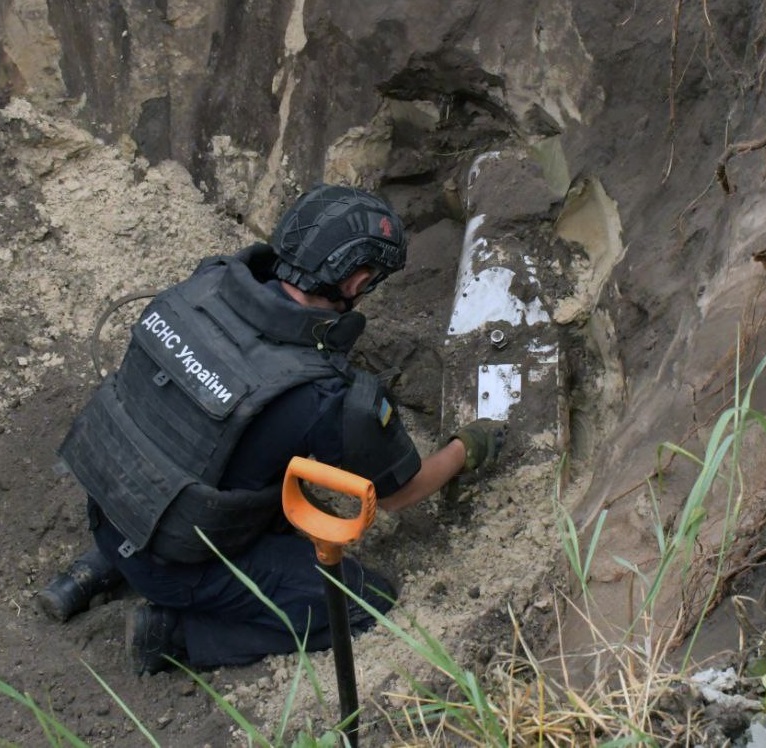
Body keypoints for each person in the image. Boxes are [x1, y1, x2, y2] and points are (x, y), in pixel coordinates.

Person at [38, 184, 506, 674]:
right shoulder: (325, 395)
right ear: (358, 280)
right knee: (365, 602)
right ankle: (172, 635)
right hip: (174, 562)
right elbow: (396, 494)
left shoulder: (204, 285)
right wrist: (464, 448)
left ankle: (92, 570)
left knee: (208, 451)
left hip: (111, 504)